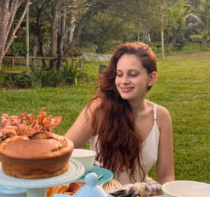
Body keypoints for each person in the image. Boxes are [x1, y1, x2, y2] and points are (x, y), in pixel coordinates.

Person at [65, 42, 174, 185]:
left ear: (151, 78)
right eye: (119, 74)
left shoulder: (160, 117)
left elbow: (166, 176)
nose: (123, 81)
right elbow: (62, 153)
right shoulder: (99, 110)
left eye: (133, 74)